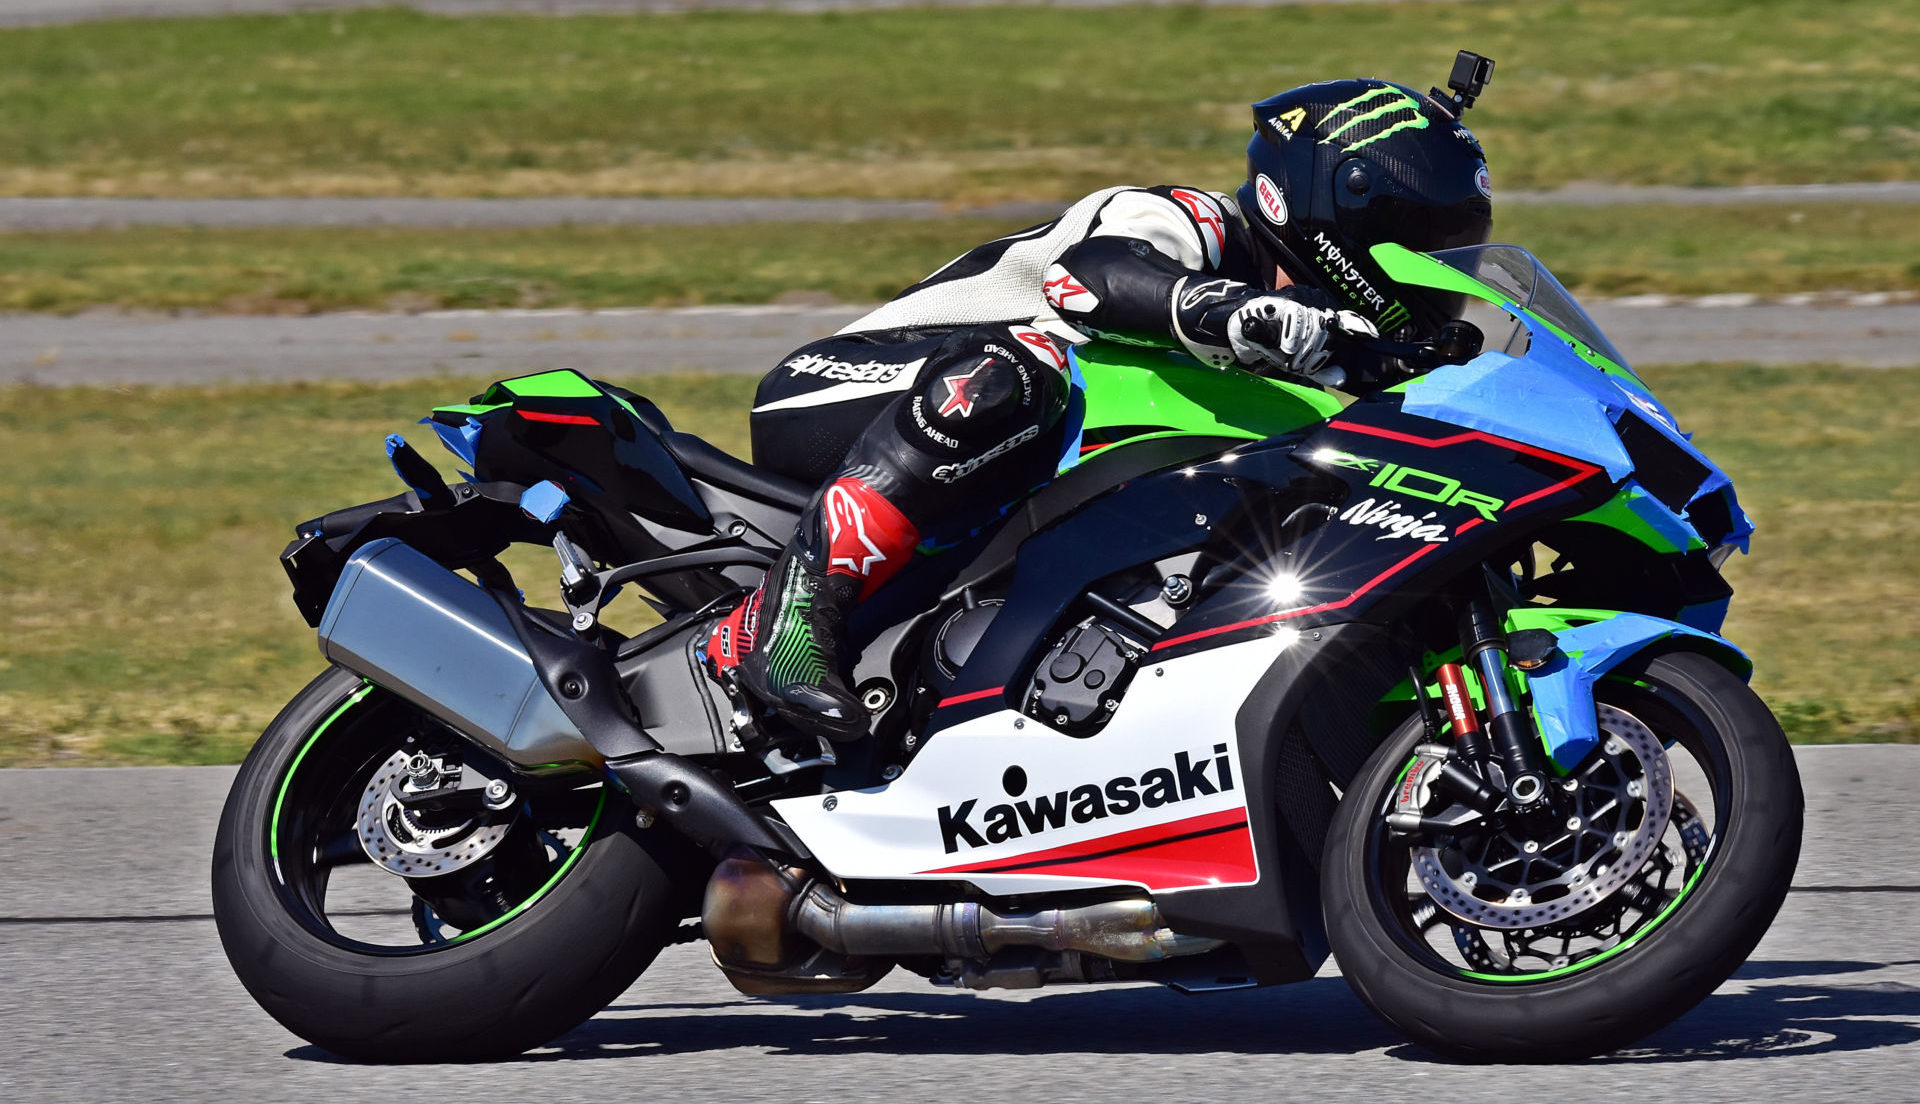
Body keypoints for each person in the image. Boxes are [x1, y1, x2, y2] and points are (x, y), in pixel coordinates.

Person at [707, 76, 1496, 743]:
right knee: (1023, 370)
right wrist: (1232, 310)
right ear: (1343, 209)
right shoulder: (1190, 221)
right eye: (1421, 241)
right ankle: (784, 624)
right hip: (852, 389)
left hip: (985, 479)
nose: (1434, 272)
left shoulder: (1338, 346)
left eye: (1453, 250)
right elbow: (1090, 281)